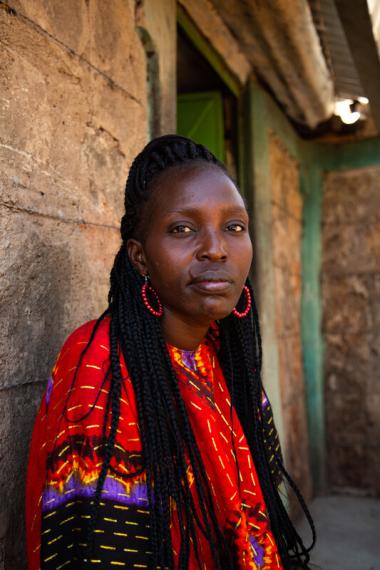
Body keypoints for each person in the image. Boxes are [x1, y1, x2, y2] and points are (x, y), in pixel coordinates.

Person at [26, 135, 315, 569]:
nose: (216, 248)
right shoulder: (100, 365)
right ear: (140, 258)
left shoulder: (223, 356)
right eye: (183, 228)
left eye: (234, 227)